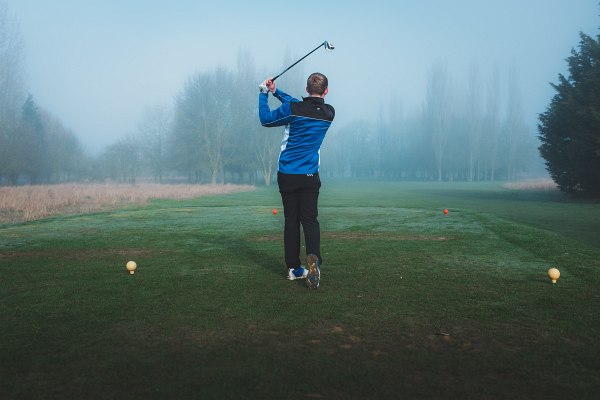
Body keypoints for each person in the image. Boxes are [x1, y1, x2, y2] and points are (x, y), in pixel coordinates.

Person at [258, 73, 335, 289]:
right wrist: (276, 91)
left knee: (291, 221)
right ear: (326, 91)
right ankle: (314, 261)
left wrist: (264, 94)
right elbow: (301, 105)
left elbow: (266, 119)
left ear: (307, 87)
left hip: (288, 175)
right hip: (310, 176)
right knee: (310, 220)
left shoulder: (294, 110)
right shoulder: (329, 113)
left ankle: (294, 269)